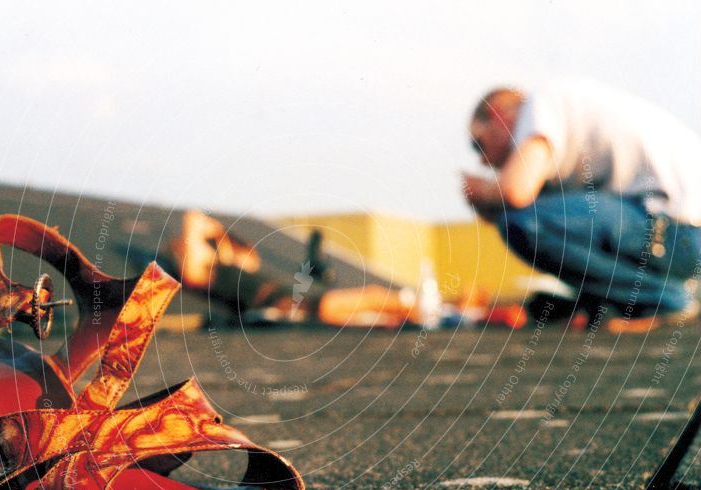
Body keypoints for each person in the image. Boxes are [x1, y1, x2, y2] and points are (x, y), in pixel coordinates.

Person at [462, 78, 701, 332]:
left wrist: (482, 190)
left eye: (478, 144)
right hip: (676, 235)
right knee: (531, 218)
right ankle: (627, 303)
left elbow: (515, 194)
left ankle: (666, 300)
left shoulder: (539, 103)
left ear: (496, 114)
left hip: (677, 230)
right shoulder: (565, 126)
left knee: (523, 221)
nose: (482, 161)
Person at [166, 209, 420, 328]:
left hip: (293, 301)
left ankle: (425, 309)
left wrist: (221, 238)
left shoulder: (236, 266)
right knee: (371, 296)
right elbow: (192, 218)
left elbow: (249, 256)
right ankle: (429, 307)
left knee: (377, 316)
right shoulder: (204, 273)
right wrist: (211, 233)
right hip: (287, 304)